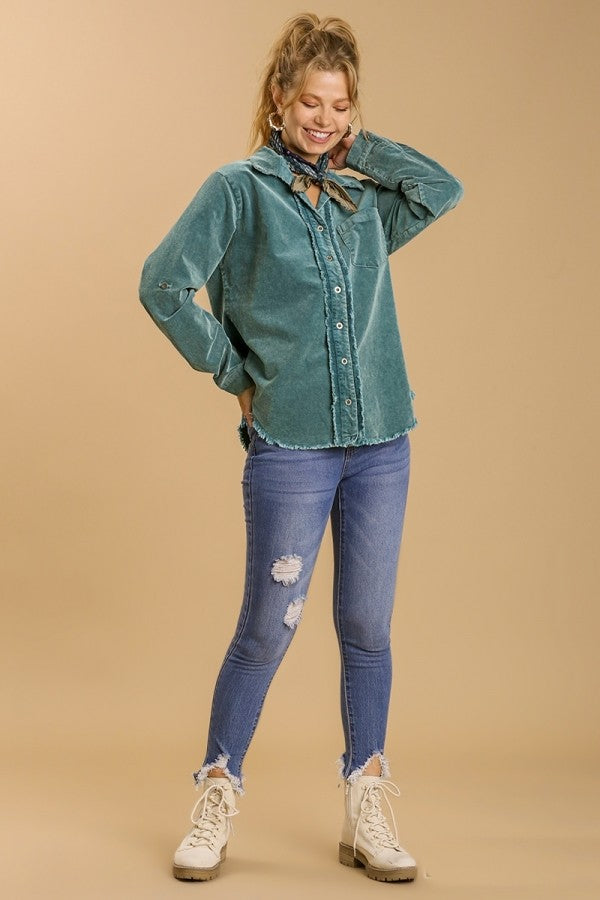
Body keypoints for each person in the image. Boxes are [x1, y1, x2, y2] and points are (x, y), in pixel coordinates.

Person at [138, 11, 463, 884]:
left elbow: (442, 189)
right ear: (279, 99)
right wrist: (233, 371)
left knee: (367, 627)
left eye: (341, 106)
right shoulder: (237, 191)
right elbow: (162, 284)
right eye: (311, 102)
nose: (324, 119)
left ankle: (367, 804)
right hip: (291, 444)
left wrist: (366, 148)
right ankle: (216, 793)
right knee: (265, 629)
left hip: (383, 440)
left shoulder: (363, 199)